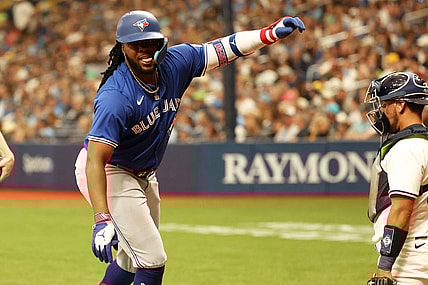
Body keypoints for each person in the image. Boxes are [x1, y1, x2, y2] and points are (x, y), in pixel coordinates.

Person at [74, 10, 305, 285]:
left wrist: (268, 33)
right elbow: (96, 161)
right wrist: (101, 218)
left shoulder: (175, 63)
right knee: (151, 260)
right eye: (136, 45)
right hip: (111, 170)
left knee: (129, 258)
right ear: (123, 47)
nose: (145, 50)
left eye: (151, 42)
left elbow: (224, 48)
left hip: (143, 173)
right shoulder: (115, 96)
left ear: (162, 42)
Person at [365, 72, 428, 285]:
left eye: (384, 104)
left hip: (411, 256)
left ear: (400, 105)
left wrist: (384, 266)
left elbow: (401, 209)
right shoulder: (422, 144)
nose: (380, 111)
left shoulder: (407, 148)